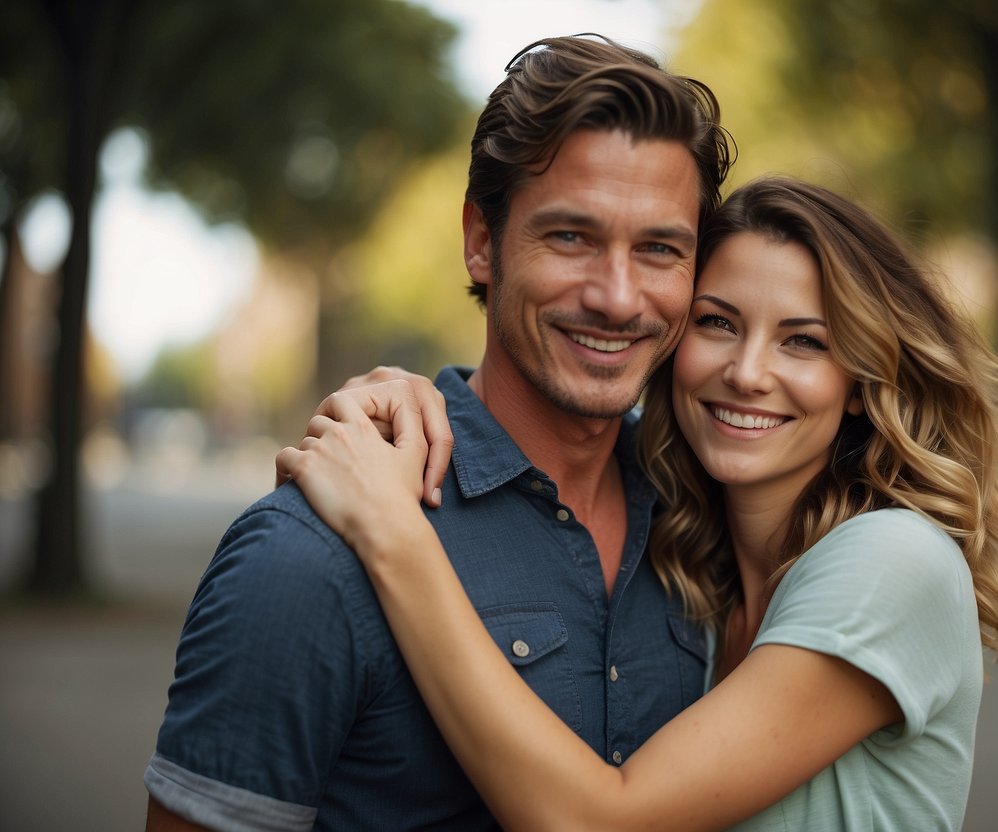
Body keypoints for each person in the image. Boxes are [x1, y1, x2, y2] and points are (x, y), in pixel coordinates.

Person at [277, 176, 998, 831]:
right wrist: (408, 399)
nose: (747, 372)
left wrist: (392, 535)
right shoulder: (687, 562)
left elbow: (593, 822)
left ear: (861, 384)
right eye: (718, 324)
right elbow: (532, 416)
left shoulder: (892, 562)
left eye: (804, 341)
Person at [145, 34, 733, 831]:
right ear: (482, 241)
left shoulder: (704, 518)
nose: (618, 297)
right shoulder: (309, 553)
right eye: (571, 237)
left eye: (660, 249)